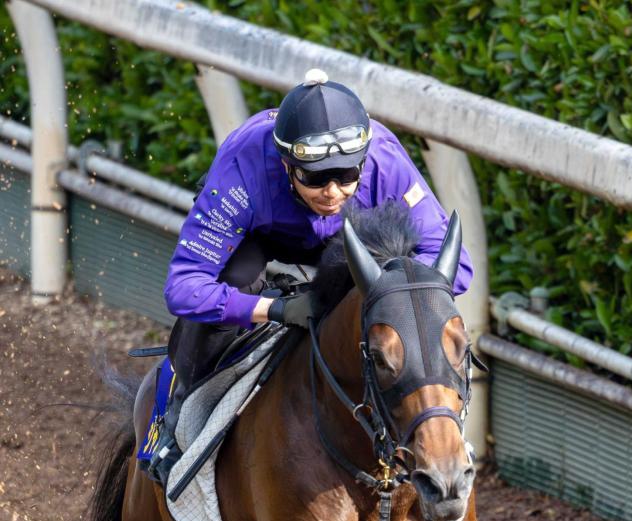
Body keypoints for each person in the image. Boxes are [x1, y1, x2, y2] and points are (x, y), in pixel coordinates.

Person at [147, 68, 473, 485]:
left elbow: (454, 265)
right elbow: (184, 288)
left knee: (404, 282)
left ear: (364, 162)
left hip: (351, 243)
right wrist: (275, 309)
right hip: (259, 242)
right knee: (238, 275)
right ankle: (179, 414)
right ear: (286, 165)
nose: (333, 192)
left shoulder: (386, 161)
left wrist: (386, 296)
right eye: (316, 177)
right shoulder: (243, 167)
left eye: (347, 175)